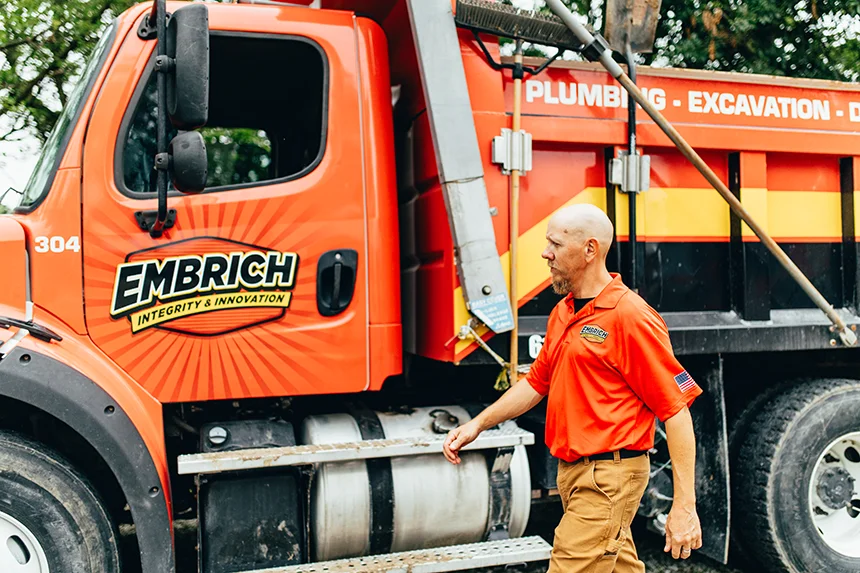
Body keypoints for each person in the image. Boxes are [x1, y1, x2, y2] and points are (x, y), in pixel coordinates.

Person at [442, 204, 704, 573]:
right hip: (574, 473)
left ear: (590, 250)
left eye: (555, 244)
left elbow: (676, 411)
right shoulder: (563, 312)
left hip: (609, 479)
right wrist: (477, 425)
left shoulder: (630, 316)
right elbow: (536, 383)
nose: (545, 253)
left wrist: (683, 507)